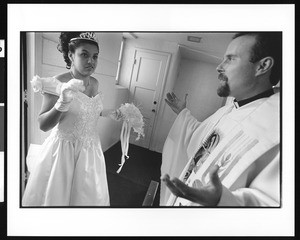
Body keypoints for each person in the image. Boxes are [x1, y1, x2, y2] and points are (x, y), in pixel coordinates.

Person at [161, 32, 281, 206]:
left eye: (230, 59)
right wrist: (182, 112)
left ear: (262, 66)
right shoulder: (229, 109)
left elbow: (274, 204)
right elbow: (200, 139)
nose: (219, 67)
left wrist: (222, 200)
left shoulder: (277, 128)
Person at [22, 32, 121, 206]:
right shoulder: (57, 82)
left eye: (95, 57)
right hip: (63, 153)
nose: (91, 61)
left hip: (91, 152)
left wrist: (109, 112)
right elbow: (43, 125)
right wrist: (62, 103)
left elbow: (86, 111)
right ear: (70, 55)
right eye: (84, 55)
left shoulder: (95, 83)